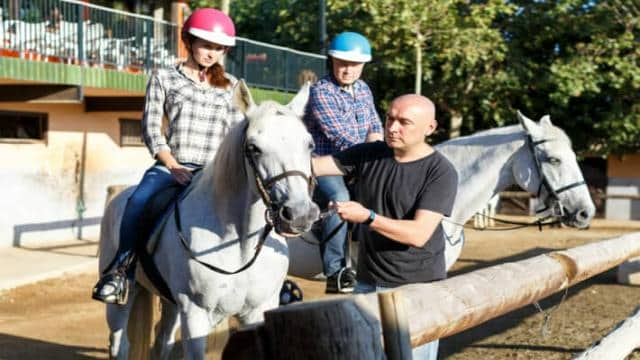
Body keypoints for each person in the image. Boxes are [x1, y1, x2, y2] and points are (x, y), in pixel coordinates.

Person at [92, 8, 243, 305]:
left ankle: (266, 275)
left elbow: (237, 132)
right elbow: (150, 128)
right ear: (188, 40)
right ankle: (120, 272)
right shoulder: (164, 77)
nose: (212, 53)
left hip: (215, 172)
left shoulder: (232, 86)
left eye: (218, 47)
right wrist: (172, 165)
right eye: (205, 45)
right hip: (173, 166)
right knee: (136, 201)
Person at [312, 94, 458, 359]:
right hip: (367, 284)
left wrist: (368, 217)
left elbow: (419, 234)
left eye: (404, 122)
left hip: (417, 291)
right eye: (389, 118)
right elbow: (315, 166)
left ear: (430, 128)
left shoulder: (441, 172)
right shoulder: (370, 153)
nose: (392, 127)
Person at [303, 31, 383, 294]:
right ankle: (336, 272)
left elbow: (374, 126)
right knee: (339, 199)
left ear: (363, 66)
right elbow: (341, 138)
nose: (347, 69)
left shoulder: (364, 90)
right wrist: (372, 158)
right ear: (331, 61)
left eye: (354, 64)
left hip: (360, 161)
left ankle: (376, 260)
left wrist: (378, 153)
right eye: (341, 63)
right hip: (327, 163)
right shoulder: (321, 92)